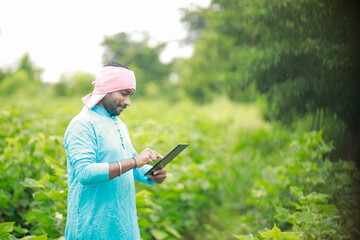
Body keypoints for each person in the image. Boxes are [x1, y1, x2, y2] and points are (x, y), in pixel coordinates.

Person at [64, 62, 167, 240]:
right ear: (107, 90)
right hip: (92, 229)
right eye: (124, 94)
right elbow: (84, 172)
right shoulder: (82, 124)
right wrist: (134, 162)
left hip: (124, 229)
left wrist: (151, 175)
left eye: (130, 95)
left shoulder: (118, 124)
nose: (128, 102)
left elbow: (132, 166)